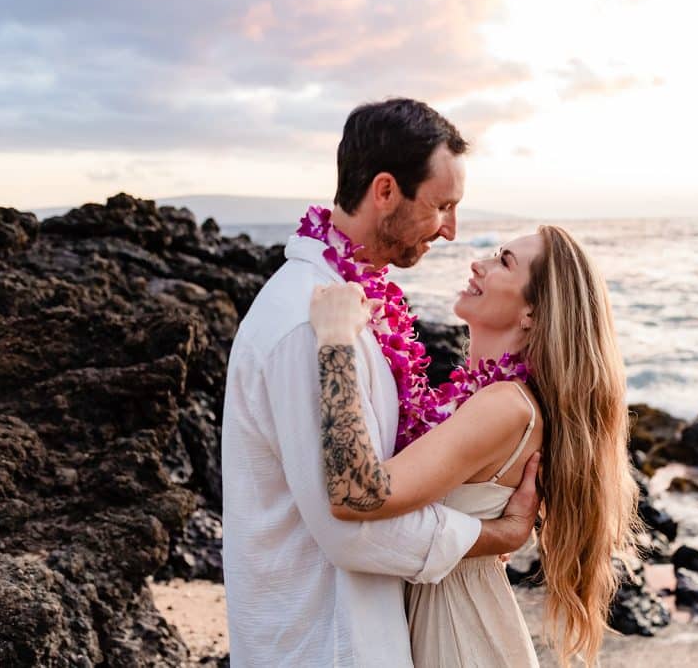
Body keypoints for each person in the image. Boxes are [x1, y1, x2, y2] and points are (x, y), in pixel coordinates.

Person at [221, 98, 540, 667]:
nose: (451, 231)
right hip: (323, 641)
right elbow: (350, 529)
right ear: (386, 191)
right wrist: (497, 536)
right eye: (442, 205)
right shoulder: (308, 324)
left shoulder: (347, 308)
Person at [310, 225, 641, 666]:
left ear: (534, 313)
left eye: (504, 261)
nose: (477, 263)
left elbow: (359, 493)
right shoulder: (491, 401)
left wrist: (334, 343)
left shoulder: (504, 405)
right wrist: (495, 536)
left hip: (458, 632)